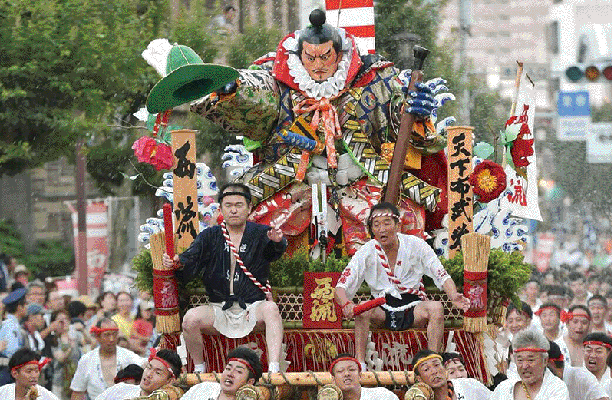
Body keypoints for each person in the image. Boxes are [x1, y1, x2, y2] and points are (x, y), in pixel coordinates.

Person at [185, 8, 452, 257]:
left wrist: (415, 109)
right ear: (299, 55)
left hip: (362, 178)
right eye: (310, 58)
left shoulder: (373, 77)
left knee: (406, 216)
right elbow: (257, 90)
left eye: (326, 57)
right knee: (244, 221)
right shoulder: (281, 81)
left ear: (339, 53)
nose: (318, 65)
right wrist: (233, 89)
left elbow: (397, 115)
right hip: (293, 179)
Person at [162, 183, 287, 373]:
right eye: (228, 205)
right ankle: (199, 368)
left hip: (253, 306)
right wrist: (176, 261)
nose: (234, 210)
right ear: (220, 208)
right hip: (219, 306)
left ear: (249, 208)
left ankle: (274, 368)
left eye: (239, 205)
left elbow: (273, 253)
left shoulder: (262, 233)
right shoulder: (210, 236)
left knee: (271, 309)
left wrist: (277, 242)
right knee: (190, 319)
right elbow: (191, 257)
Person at [334, 202, 470, 369]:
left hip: (413, 306)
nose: (382, 229)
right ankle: (360, 365)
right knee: (362, 308)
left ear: (397, 225)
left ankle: (433, 362)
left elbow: (441, 274)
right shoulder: (367, 251)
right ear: (372, 229)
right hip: (381, 307)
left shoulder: (416, 244)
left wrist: (453, 295)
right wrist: (346, 304)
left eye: (386, 223)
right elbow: (341, 286)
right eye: (376, 224)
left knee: (436, 308)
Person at [69, 318, 143, 400]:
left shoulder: (128, 356)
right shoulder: (87, 360)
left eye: (114, 334)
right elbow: (77, 392)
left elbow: (145, 364)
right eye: (107, 335)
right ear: (98, 337)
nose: (111, 339)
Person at [490, 329, 569, 400]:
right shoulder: (504, 388)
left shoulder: (557, 388)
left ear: (545, 361)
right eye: (520, 360)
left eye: (530, 360)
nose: (524, 366)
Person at [94, 349, 182, 400]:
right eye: (149, 367)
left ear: (170, 381)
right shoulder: (120, 389)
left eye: (157, 372)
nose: (149, 374)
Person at [180, 347, 262, 400]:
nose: (230, 373)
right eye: (228, 368)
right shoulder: (203, 389)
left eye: (238, 371)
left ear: (249, 382)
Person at [411, 349, 490, 399]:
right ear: (419, 379)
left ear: (444, 369)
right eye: (426, 369)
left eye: (436, 365)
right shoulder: (419, 397)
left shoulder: (469, 385)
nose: (434, 371)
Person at [324, 353, 398, 400]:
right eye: (340, 371)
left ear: (360, 375)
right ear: (333, 380)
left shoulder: (382, 395)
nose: (347, 374)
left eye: (351, 369)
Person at [0, 288, 28, 358]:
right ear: (19, 307)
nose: (27, 307)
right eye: (26, 304)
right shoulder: (10, 325)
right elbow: (11, 352)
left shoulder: (12, 323)